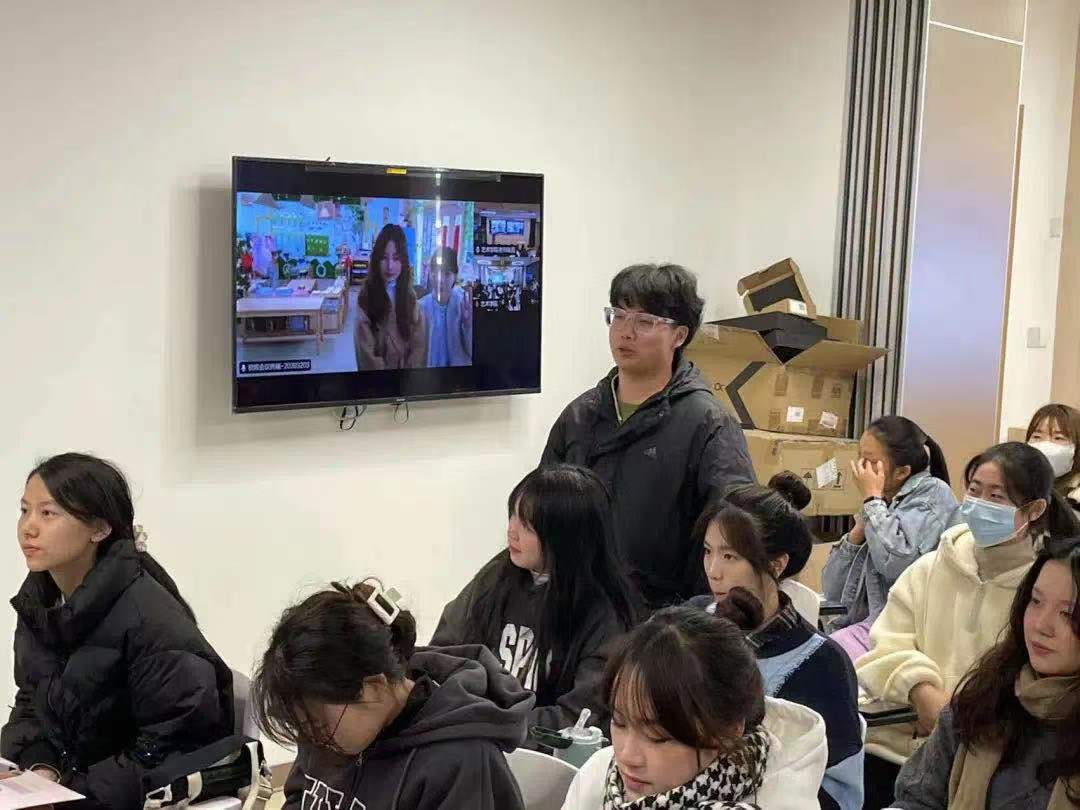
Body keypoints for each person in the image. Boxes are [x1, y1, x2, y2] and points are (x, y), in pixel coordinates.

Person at [1, 453, 234, 810]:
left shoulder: (152, 619)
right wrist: (41, 768)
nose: (27, 528)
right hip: (77, 783)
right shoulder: (41, 603)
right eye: (24, 510)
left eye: (48, 513)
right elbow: (33, 702)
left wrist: (68, 795)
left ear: (100, 529)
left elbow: (170, 747)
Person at [855, 442, 1080, 810]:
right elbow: (886, 642)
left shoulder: (1045, 579)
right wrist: (921, 689)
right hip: (901, 744)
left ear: (1034, 509)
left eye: (996, 496)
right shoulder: (932, 568)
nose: (1042, 624)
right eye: (974, 491)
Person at [542, 263, 755, 608]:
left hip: (665, 618)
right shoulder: (580, 415)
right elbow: (542, 510)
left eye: (644, 321)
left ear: (679, 336)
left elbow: (735, 533)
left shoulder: (708, 424)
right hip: (577, 608)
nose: (625, 332)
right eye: (618, 316)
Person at [253, 579, 531, 810]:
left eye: (320, 725)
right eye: (306, 727)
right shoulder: (324, 722)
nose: (315, 739)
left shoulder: (460, 762)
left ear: (374, 687)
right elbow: (300, 797)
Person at [688, 483, 863, 810]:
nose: (713, 571)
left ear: (777, 564)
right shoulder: (689, 624)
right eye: (708, 551)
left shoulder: (822, 663)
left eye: (730, 556)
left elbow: (840, 792)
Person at [430, 465, 639, 731]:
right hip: (474, 732)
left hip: (535, 749)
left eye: (527, 526)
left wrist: (488, 725)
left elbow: (579, 719)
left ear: (566, 538)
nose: (511, 531)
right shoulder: (497, 575)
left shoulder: (604, 615)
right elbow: (443, 652)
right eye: (512, 516)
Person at [559, 606, 828, 810]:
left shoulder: (778, 800)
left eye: (657, 737)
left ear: (728, 731)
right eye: (619, 722)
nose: (627, 756)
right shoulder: (600, 775)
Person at [891, 535, 1080, 809]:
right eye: (1036, 601)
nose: (1041, 625)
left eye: (1067, 614)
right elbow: (918, 799)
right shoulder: (987, 695)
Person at [822, 415, 956, 661]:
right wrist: (856, 534)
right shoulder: (883, 502)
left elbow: (896, 565)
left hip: (906, 632)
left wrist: (873, 501)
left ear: (902, 472)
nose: (861, 470)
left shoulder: (933, 495)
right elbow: (832, 591)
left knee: (826, 658)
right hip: (867, 622)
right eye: (859, 457)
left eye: (870, 462)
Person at [355, 223, 427, 370]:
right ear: (376, 259)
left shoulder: (411, 298)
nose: (390, 266)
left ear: (404, 261)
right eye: (384, 258)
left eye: (396, 258)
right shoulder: (365, 298)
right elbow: (365, 353)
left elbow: (419, 345)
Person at [417, 247, 473, 367]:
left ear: (455, 276)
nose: (440, 280)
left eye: (447, 274)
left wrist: (468, 325)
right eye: (436, 272)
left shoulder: (464, 305)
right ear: (430, 273)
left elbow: (471, 352)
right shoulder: (420, 307)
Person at [1027, 402, 1080, 513]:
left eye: (1058, 438)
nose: (1045, 445)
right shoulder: (1017, 482)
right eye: (1037, 436)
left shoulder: (1076, 497)